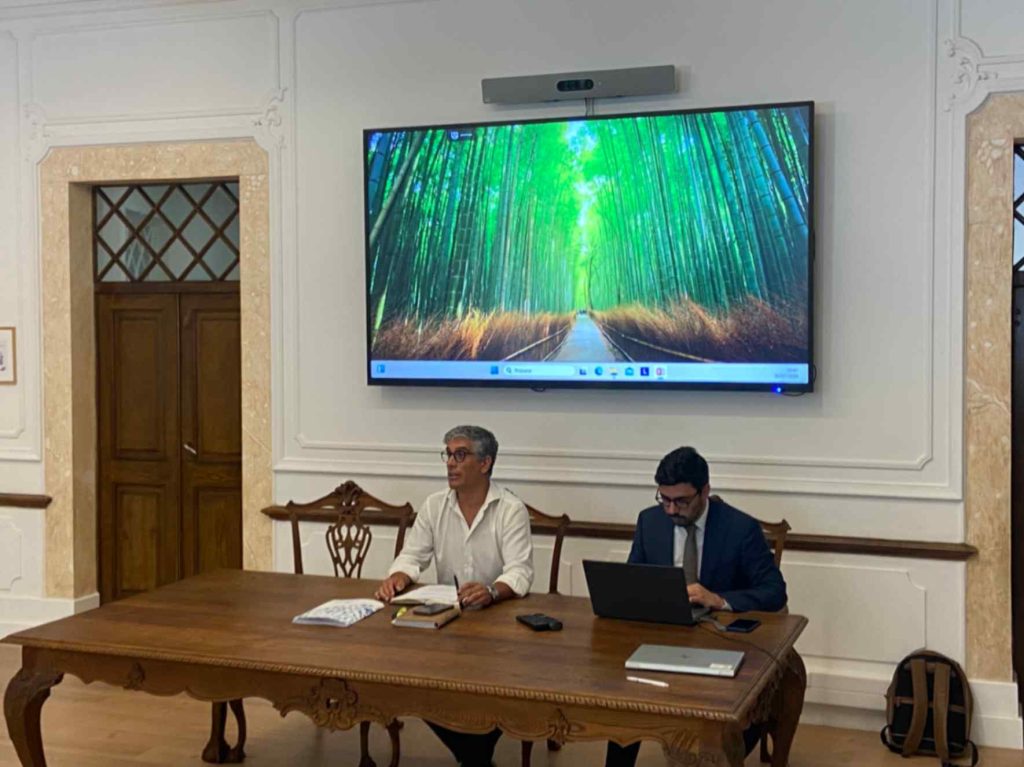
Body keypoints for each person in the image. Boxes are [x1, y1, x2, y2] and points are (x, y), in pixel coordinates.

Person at [606, 446, 787, 767]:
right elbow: (634, 577)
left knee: (742, 706)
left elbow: (774, 592)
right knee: (622, 697)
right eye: (664, 499)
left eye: (682, 501)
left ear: (705, 491)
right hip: (662, 633)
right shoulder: (650, 522)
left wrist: (719, 599)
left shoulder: (739, 528)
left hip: (719, 638)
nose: (671, 510)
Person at [375, 424, 534, 767]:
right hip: (448, 622)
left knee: (495, 694)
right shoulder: (434, 506)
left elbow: (520, 571)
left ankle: (475, 752)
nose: (450, 463)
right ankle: (476, 753)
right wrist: (399, 575)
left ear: (485, 463)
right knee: (413, 683)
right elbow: (412, 555)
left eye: (460, 455)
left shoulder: (510, 509)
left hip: (498, 627)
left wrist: (491, 591)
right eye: (447, 454)